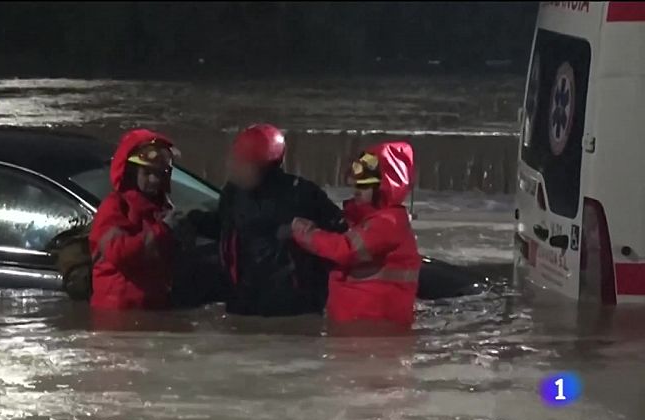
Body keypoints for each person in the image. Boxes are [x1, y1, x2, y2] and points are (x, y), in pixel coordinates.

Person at [188, 124, 347, 316]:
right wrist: (192, 221)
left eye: (242, 163)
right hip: (242, 305)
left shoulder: (303, 194)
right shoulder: (233, 193)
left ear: (266, 168)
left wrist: (302, 235)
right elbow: (225, 229)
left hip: (293, 310)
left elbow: (341, 238)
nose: (233, 167)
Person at [290, 141, 421, 329]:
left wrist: (306, 234)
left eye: (364, 186)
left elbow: (347, 250)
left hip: (376, 329)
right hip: (358, 326)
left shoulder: (389, 222)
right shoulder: (366, 220)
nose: (356, 190)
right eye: (356, 184)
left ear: (384, 187)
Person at [88, 129, 182, 310]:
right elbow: (119, 252)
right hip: (118, 313)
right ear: (131, 173)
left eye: (159, 173)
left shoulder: (162, 208)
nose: (154, 180)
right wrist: (163, 230)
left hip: (149, 309)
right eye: (146, 173)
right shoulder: (115, 207)